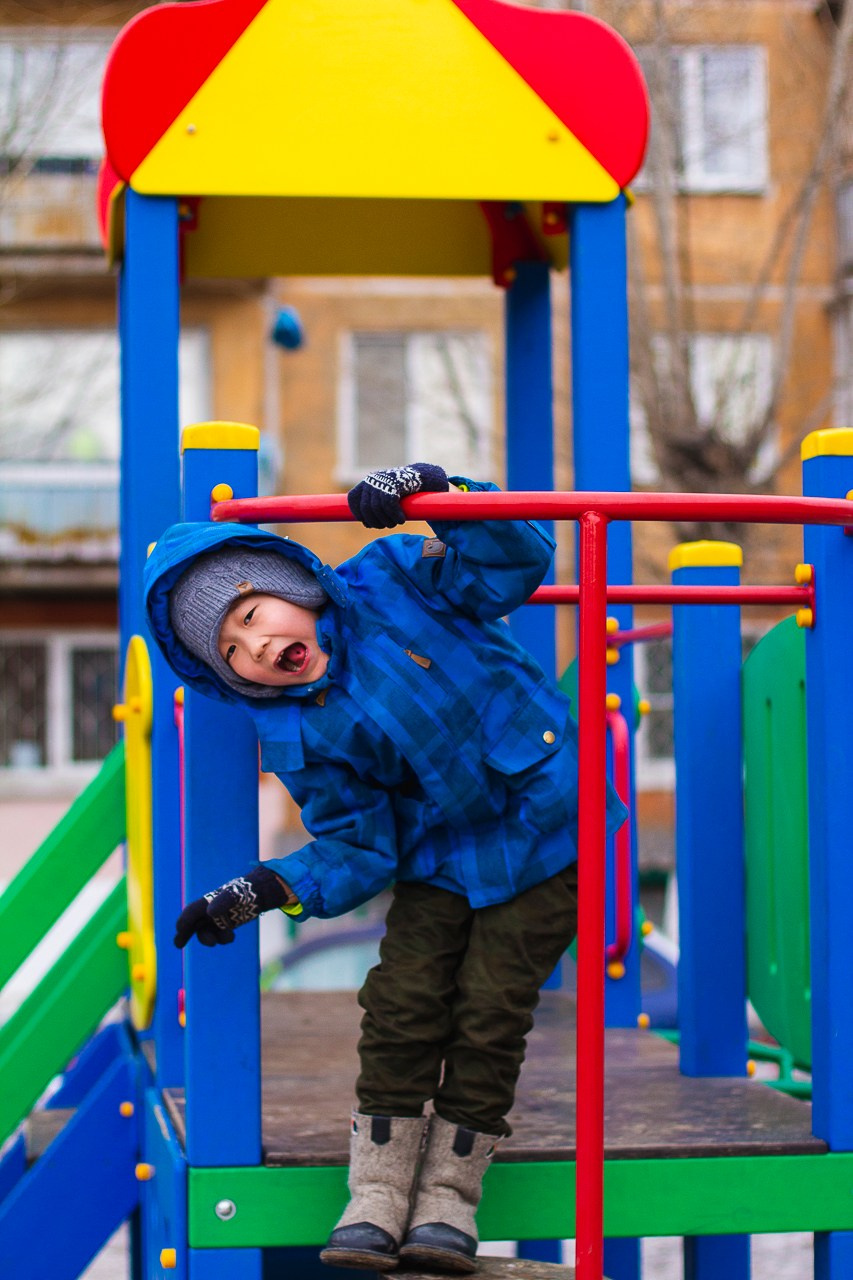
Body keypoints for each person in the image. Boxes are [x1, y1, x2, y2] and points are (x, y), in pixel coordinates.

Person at [144, 462, 627, 1275]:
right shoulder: (297, 734)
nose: (258, 643)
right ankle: (374, 1192)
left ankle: (448, 1199)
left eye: (254, 612)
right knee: (400, 1006)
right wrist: (267, 886)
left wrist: (440, 499)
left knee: (488, 1011)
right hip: (437, 858)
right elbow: (358, 844)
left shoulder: (396, 579)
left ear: (293, 582)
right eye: (233, 651)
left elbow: (512, 563)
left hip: (550, 832)